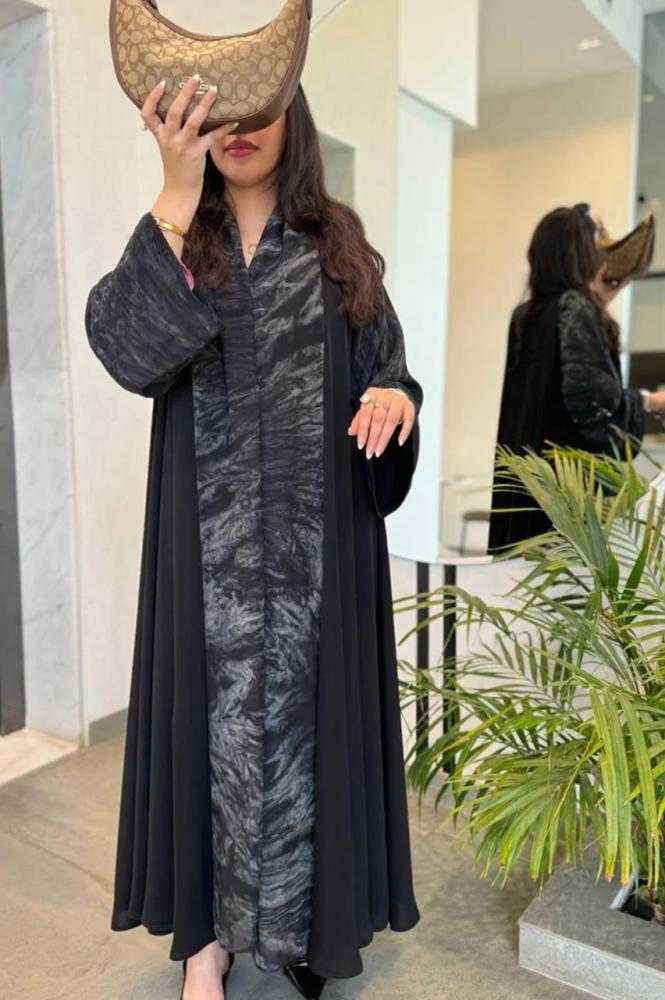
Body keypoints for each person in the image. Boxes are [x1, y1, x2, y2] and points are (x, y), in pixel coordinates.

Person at [85, 78, 422, 1000]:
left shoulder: (336, 248)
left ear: (293, 119)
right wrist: (173, 184)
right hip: (208, 556)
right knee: (210, 734)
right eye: (219, 117)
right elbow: (123, 348)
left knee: (311, 737)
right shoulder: (181, 240)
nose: (238, 131)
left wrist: (394, 398)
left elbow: (386, 370)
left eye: (258, 110)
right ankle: (206, 948)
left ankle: (308, 930)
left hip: (318, 556)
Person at [488, 204, 665, 553]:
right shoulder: (575, 307)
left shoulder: (526, 315)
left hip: (529, 483)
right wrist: (652, 400)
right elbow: (592, 396)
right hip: (567, 489)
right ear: (580, 253)